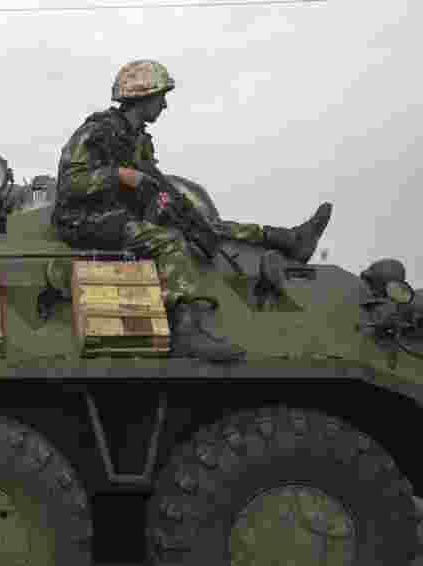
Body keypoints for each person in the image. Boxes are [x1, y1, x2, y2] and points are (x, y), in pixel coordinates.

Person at [53, 59, 333, 362]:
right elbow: (70, 184)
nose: (164, 106)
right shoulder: (97, 131)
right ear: (142, 97)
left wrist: (169, 203)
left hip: (115, 213)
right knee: (168, 240)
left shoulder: (138, 139)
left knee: (198, 223)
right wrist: (120, 176)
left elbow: (151, 180)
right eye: (161, 98)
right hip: (81, 221)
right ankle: (187, 330)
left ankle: (288, 239)